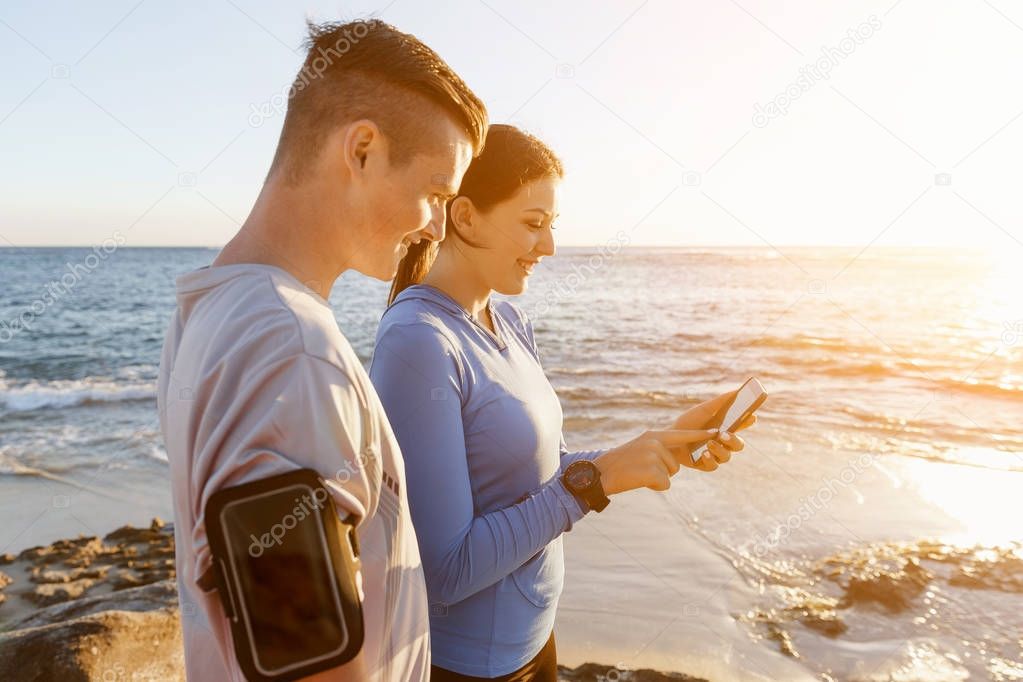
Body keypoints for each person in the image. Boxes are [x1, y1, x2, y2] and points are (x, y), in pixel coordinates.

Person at [156, 19, 487, 681]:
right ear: (361, 149)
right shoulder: (290, 349)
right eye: (433, 193)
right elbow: (306, 663)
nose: (433, 225)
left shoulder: (206, 309)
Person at [369, 125, 755, 681]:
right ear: (466, 215)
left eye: (552, 226)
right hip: (468, 669)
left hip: (535, 644)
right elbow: (445, 569)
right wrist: (594, 482)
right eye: (533, 224)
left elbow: (543, 476)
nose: (548, 246)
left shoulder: (509, 321)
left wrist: (659, 447)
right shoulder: (419, 341)